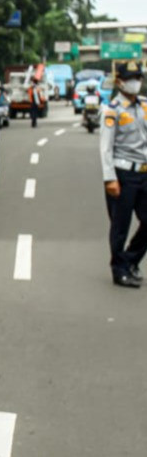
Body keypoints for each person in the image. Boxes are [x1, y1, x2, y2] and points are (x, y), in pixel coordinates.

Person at [99, 60, 147, 288]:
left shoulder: (144, 106)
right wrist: (110, 178)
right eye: (130, 78)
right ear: (119, 82)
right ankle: (119, 270)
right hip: (123, 174)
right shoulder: (112, 110)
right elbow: (105, 147)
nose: (135, 82)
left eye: (138, 78)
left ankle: (129, 260)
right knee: (120, 226)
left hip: (144, 173)